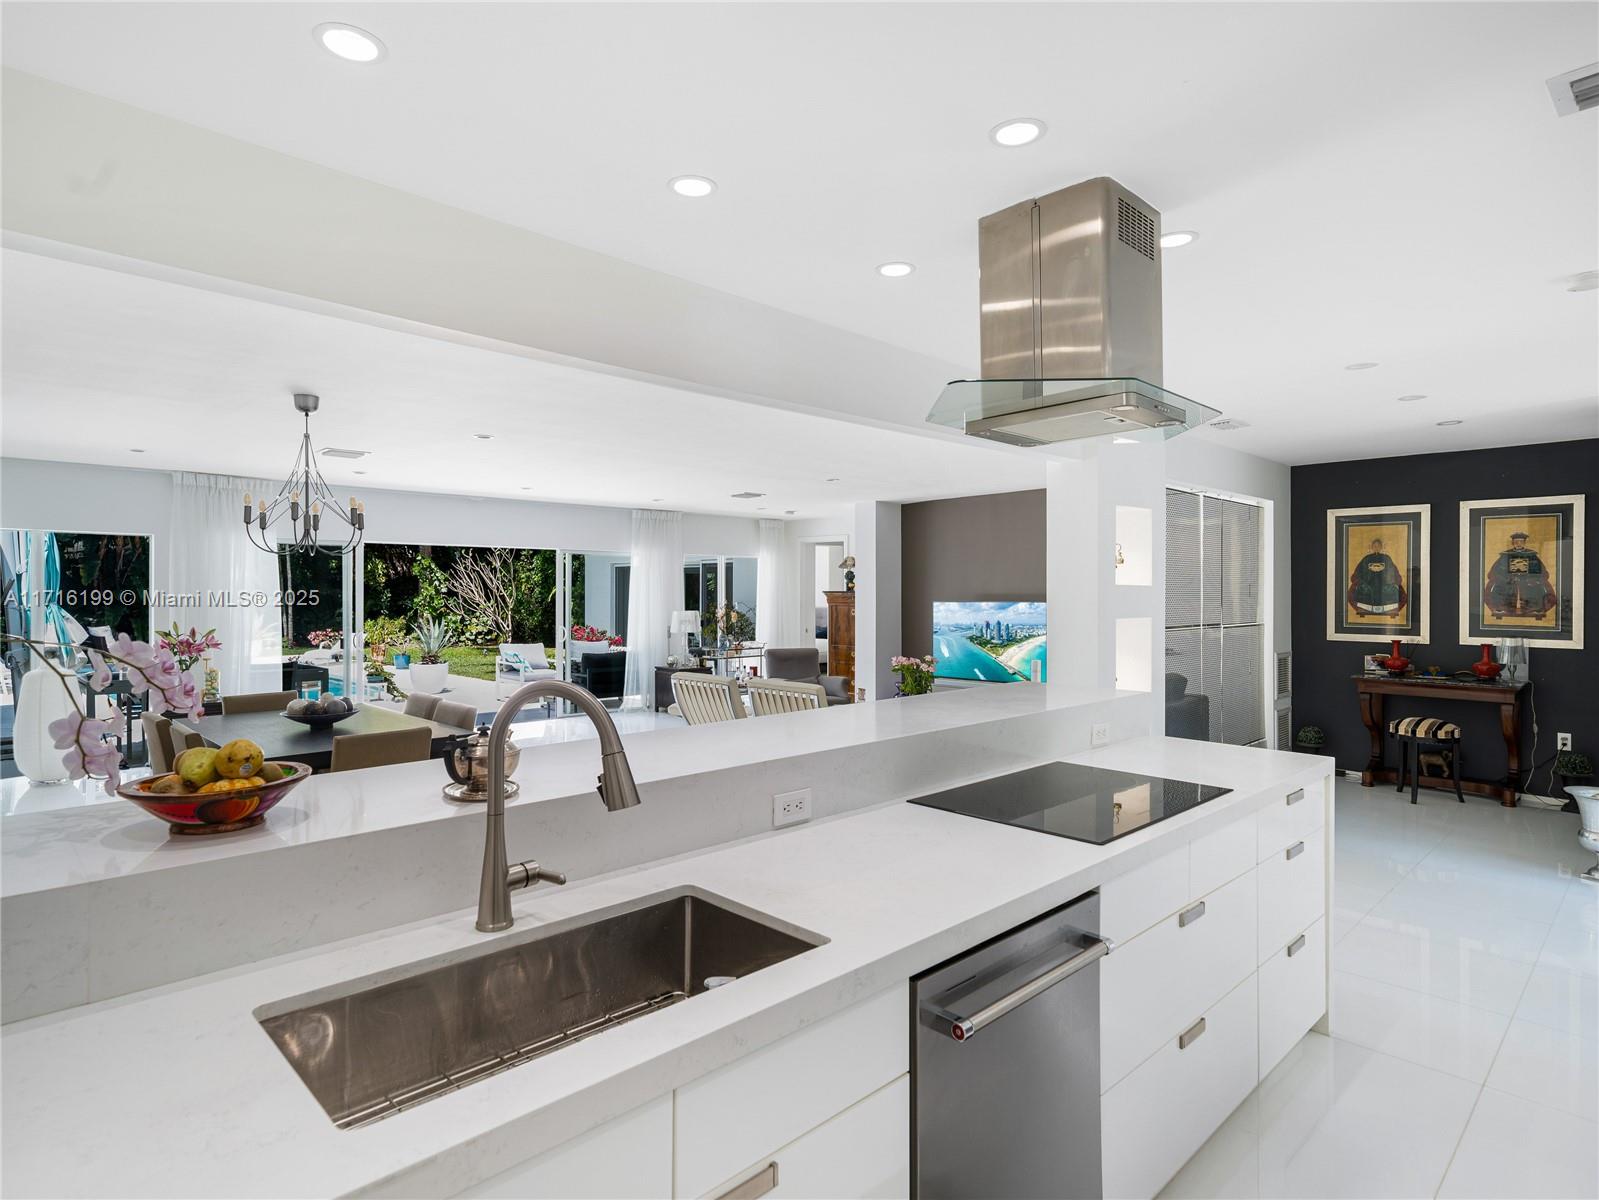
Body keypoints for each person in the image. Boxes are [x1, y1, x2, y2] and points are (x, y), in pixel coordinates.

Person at [1484, 531, 1557, 618]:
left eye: (1521, 542)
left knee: (1535, 587)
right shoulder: (1505, 555)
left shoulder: (1531, 555)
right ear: (1513, 543)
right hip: (1510, 580)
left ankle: (1534, 609)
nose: (1519, 544)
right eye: (1516, 542)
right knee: (1502, 586)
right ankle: (1502, 609)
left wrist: (1532, 578)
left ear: (1524, 543)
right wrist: (1506, 578)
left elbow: (1542, 571)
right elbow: (1495, 571)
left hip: (1527, 580)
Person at [1348, 537, 1407, 616]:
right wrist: (1362, 581)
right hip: (1368, 583)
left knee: (1401, 593)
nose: (1376, 548)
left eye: (1378, 546)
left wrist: (1391, 580)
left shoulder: (1386, 558)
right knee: (1352, 593)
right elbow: (1357, 573)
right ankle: (1364, 609)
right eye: (1375, 546)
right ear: (1372, 547)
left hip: (1384, 583)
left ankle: (1390, 610)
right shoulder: (1366, 558)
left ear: (1381, 547)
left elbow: (1393, 571)